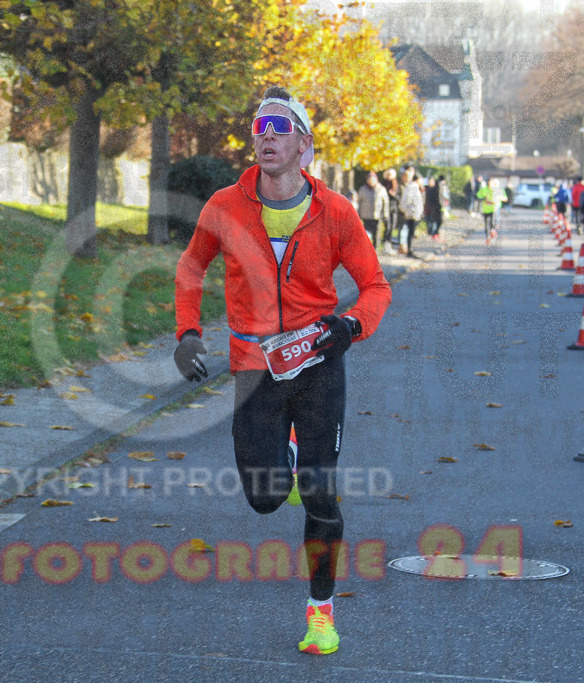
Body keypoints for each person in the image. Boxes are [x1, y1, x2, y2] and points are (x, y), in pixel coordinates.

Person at [173, 86, 391, 656]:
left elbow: (375, 286)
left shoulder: (336, 212)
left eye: (279, 127)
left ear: (304, 146)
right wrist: (187, 331)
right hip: (254, 367)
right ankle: (287, 459)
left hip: (320, 364)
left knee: (321, 495)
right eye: (259, 128)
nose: (265, 135)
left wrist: (352, 326)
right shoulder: (225, 205)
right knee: (265, 499)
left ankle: (322, 613)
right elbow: (192, 265)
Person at [356, 170, 388, 250]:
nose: (370, 181)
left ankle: (375, 251)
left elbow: (386, 203)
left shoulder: (381, 189)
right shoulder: (363, 189)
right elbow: (359, 202)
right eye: (369, 179)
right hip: (366, 215)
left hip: (377, 216)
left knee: (376, 235)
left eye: (372, 179)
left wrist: (385, 214)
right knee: (366, 235)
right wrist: (358, 214)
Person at [399, 167, 423, 257]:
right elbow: (406, 201)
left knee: (411, 232)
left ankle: (410, 250)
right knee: (410, 233)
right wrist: (407, 211)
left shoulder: (414, 187)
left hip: (414, 213)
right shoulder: (412, 187)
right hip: (411, 213)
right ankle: (409, 251)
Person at [382, 168, 400, 253]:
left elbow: (399, 198)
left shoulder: (396, 185)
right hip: (386, 208)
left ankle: (389, 244)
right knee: (388, 227)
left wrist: (394, 195)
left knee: (392, 226)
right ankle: (385, 244)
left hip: (394, 208)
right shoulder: (384, 185)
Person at [477, 177, 498, 244]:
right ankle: (488, 237)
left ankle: (493, 234)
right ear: (488, 183)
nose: (490, 184)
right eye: (490, 183)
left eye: (492, 183)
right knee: (486, 224)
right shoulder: (484, 189)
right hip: (485, 210)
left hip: (493, 209)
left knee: (492, 223)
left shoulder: (495, 190)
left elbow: (499, 198)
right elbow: (478, 196)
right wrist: (483, 198)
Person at [424, 175, 443, 242]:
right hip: (428, 208)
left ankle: (434, 234)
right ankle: (432, 234)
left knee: (435, 222)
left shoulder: (436, 189)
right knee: (429, 222)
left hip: (434, 208)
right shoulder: (426, 189)